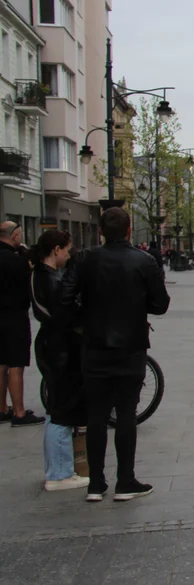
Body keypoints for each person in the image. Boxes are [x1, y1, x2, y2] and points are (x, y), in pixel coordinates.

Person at [61, 207, 170, 502]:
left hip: (94, 347)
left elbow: (64, 298)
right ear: (129, 230)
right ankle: (125, 481)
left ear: (100, 232)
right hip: (131, 347)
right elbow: (161, 304)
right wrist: (136, 304)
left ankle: (95, 484)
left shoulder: (85, 259)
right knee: (125, 413)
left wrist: (83, 321)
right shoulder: (143, 260)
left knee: (96, 414)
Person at [30, 230, 88, 491]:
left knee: (56, 409)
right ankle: (60, 473)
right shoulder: (50, 280)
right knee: (61, 410)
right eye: (66, 250)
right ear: (55, 250)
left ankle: (57, 470)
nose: (68, 254)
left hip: (49, 344)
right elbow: (66, 314)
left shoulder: (40, 275)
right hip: (58, 347)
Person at [0, 221, 44, 426]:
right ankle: (18, 412)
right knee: (16, 365)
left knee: (1, 364)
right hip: (14, 316)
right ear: (15, 235)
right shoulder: (17, 262)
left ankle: (2, 408)